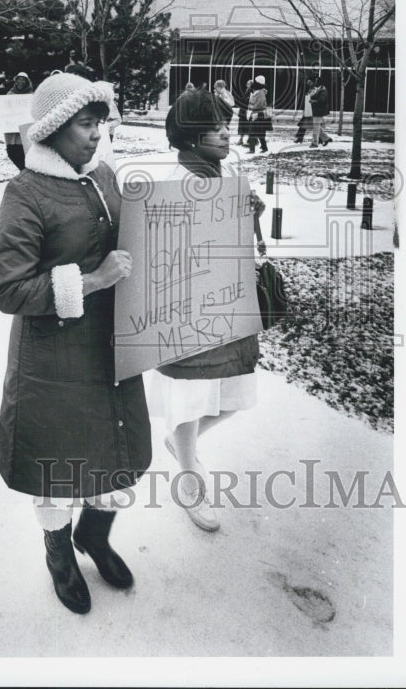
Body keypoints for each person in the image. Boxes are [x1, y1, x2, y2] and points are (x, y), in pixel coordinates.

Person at [0, 72, 152, 615]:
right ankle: (59, 555)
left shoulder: (103, 175)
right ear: (54, 130)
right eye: (87, 123)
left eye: (100, 122)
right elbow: (9, 289)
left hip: (110, 347)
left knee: (116, 452)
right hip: (53, 359)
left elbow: (130, 241)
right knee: (57, 464)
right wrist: (89, 281)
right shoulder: (25, 192)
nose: (97, 133)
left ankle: (95, 536)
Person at [145, 88, 264, 532]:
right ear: (193, 137)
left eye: (225, 123)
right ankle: (190, 480)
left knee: (234, 394)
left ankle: (183, 446)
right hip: (188, 311)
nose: (226, 131)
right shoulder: (177, 181)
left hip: (226, 302)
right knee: (190, 397)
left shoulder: (221, 169)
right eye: (216, 127)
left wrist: (247, 210)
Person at [4, 71, 34, 171]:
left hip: (25, 128)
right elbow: (3, 109)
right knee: (12, 152)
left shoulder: (31, 95)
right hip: (12, 128)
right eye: (18, 80)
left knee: (25, 151)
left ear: (27, 82)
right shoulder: (10, 94)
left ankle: (25, 171)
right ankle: (23, 170)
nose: (20, 82)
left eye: (23, 80)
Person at [246, 75, 272, 154]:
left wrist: (251, 107)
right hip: (256, 114)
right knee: (259, 132)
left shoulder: (260, 93)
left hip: (258, 114)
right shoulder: (256, 92)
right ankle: (263, 147)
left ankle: (252, 149)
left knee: (253, 132)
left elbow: (259, 104)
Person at [309, 76, 332, 147]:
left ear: (319, 82)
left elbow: (321, 101)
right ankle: (326, 138)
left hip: (319, 111)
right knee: (317, 126)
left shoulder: (323, 90)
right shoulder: (319, 89)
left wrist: (313, 101)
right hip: (317, 111)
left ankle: (315, 143)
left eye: (316, 81)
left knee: (316, 127)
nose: (315, 82)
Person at [294, 79, 314, 143]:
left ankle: (323, 139)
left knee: (315, 126)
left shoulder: (314, 90)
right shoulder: (309, 89)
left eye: (309, 82)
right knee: (303, 125)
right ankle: (300, 138)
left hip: (311, 110)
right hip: (308, 110)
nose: (308, 83)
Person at [236, 78, 254, 146]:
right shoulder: (247, 90)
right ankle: (242, 139)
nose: (246, 85)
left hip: (246, 111)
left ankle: (248, 139)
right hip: (243, 111)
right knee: (243, 126)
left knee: (247, 126)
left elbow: (248, 101)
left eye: (248, 84)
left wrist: (241, 101)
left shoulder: (251, 92)